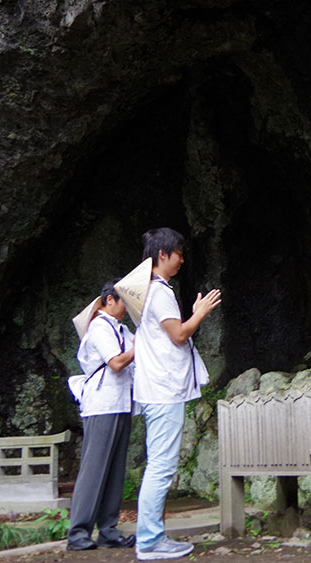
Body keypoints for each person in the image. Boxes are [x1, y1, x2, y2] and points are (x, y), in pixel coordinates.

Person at [133, 227, 222, 560]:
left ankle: (151, 538)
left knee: (159, 465)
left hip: (157, 389)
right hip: (163, 391)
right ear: (162, 255)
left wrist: (193, 314)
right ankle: (150, 542)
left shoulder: (149, 291)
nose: (183, 259)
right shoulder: (159, 292)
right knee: (160, 467)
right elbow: (179, 335)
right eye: (179, 254)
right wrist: (200, 314)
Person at [66, 280, 136, 551]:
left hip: (121, 402)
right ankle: (78, 533)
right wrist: (140, 345)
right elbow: (117, 362)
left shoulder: (123, 329)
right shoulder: (99, 327)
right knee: (94, 470)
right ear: (109, 300)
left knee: (116, 470)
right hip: (101, 404)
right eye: (123, 303)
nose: (126, 309)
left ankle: (108, 530)